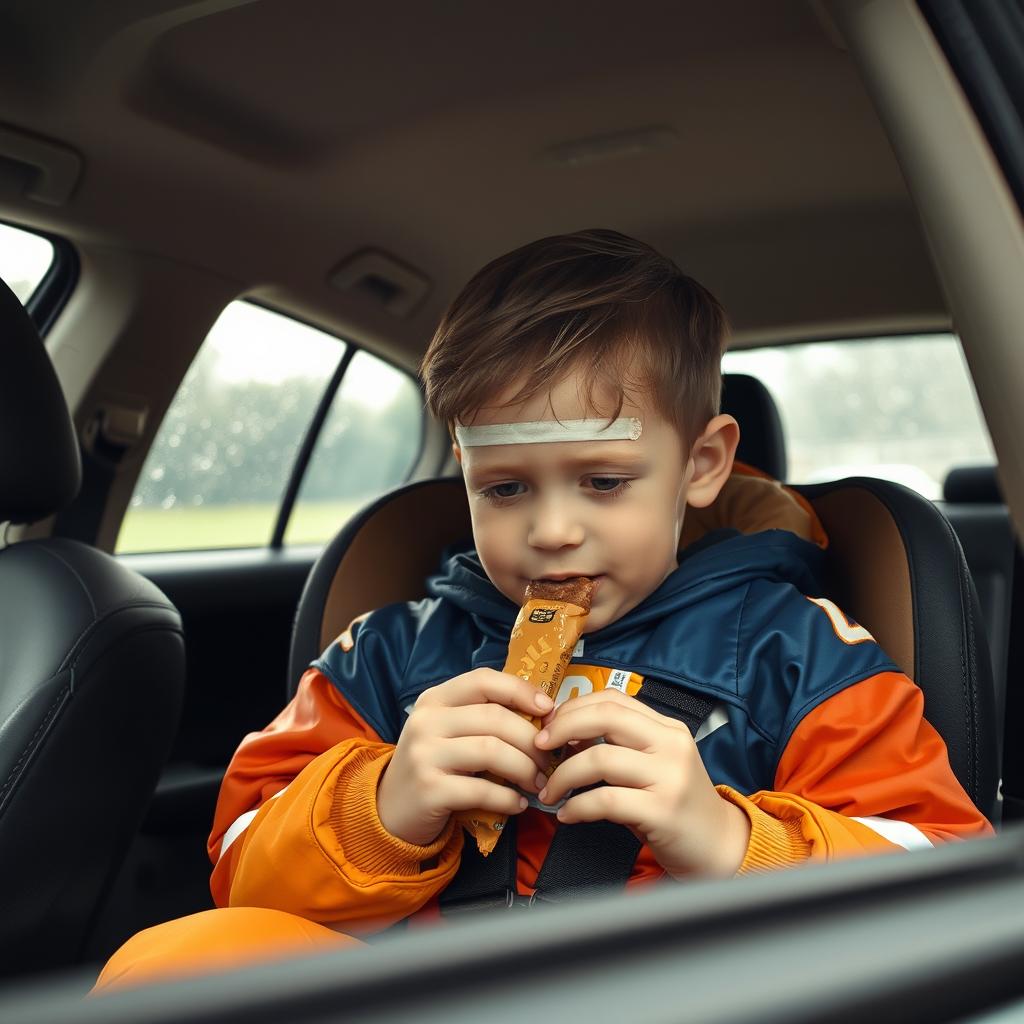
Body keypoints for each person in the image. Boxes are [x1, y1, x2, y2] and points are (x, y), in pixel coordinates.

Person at [94, 229, 991, 991]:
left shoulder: (802, 654)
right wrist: (385, 803)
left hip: (685, 991)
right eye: (506, 487)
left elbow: (943, 878)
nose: (553, 531)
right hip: (422, 988)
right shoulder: (388, 652)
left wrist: (728, 839)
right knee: (166, 963)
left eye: (603, 482)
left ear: (703, 466)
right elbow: (242, 860)